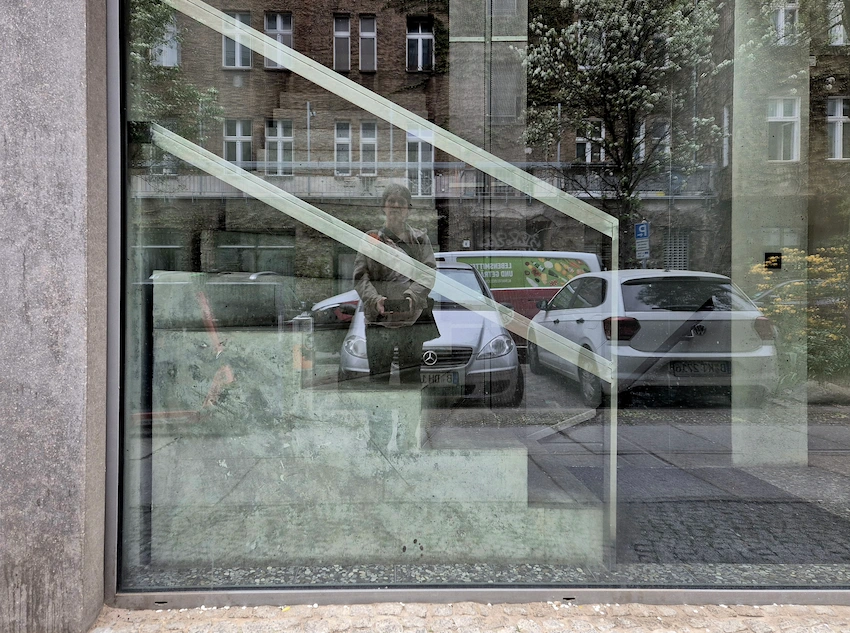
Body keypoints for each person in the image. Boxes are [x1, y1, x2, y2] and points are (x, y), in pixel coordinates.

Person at [353, 184, 437, 385]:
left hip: (412, 320)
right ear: (384, 206)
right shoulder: (371, 239)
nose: (396, 206)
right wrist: (375, 300)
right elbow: (360, 276)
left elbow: (428, 273)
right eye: (391, 201)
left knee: (411, 380)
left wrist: (412, 297)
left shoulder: (419, 239)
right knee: (379, 381)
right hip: (378, 321)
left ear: (408, 208)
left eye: (401, 202)